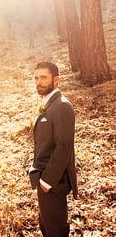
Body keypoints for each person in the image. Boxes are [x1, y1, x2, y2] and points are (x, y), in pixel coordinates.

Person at [29, 61, 77, 237]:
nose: (38, 82)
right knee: (47, 227)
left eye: (43, 77)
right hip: (45, 179)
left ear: (56, 80)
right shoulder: (48, 104)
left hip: (53, 182)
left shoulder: (62, 106)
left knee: (56, 231)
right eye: (36, 78)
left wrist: (46, 182)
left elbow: (64, 147)